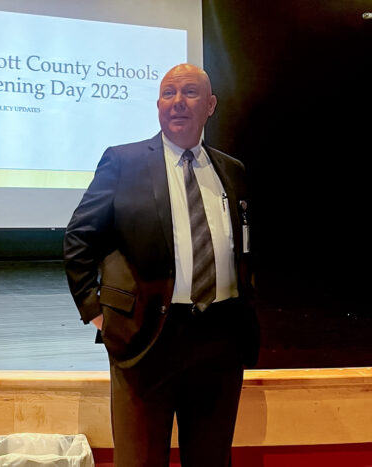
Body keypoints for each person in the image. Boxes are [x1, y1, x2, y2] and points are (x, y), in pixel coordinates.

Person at [63, 63, 260, 467]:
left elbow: (243, 246)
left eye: (189, 93)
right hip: (146, 338)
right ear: (157, 105)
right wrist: (96, 313)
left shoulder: (232, 171)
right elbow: (79, 238)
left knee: (211, 459)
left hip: (219, 340)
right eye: (169, 94)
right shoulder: (124, 162)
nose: (178, 103)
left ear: (210, 105)